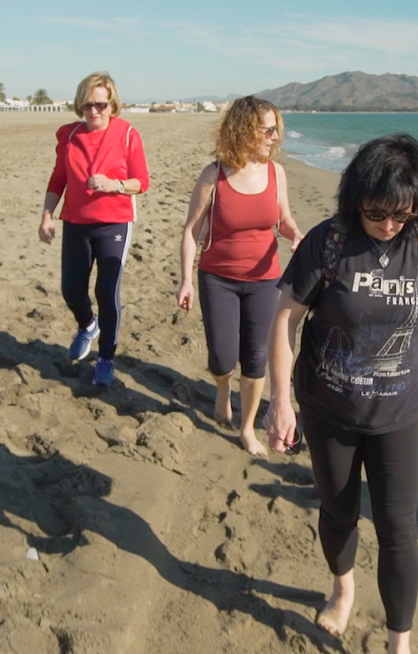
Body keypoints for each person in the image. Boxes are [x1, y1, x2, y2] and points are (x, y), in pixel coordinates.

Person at [265, 134, 418, 654]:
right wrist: (281, 401)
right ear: (356, 199)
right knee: (339, 512)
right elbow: (286, 319)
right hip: (330, 409)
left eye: (402, 213)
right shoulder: (329, 242)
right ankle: (343, 586)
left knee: (400, 530)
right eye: (377, 214)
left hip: (397, 412)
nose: (390, 225)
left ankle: (400, 642)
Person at [177, 96, 302, 455]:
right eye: (267, 130)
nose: (274, 137)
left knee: (256, 356)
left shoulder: (276, 173)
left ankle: (247, 428)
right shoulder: (213, 175)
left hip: (265, 279)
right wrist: (186, 279)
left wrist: (296, 234)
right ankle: (221, 387)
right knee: (222, 357)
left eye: (276, 129)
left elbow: (283, 219)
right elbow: (190, 231)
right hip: (217, 277)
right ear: (244, 130)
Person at [38, 71, 150, 387]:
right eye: (88, 105)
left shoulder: (127, 134)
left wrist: (114, 185)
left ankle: (106, 359)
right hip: (75, 222)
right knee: (71, 289)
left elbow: (142, 182)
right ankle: (88, 325)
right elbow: (58, 179)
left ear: (112, 104)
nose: (94, 111)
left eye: (100, 104)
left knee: (106, 291)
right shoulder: (70, 136)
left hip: (114, 222)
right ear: (80, 106)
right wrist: (47, 215)